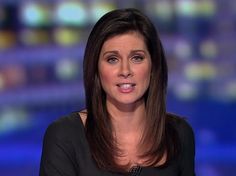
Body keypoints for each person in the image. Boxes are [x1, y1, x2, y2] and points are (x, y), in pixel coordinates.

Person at [39, 8, 195, 176]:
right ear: (96, 68)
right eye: (112, 59)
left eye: (137, 58)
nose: (125, 70)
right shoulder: (65, 136)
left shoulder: (178, 134)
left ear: (153, 66)